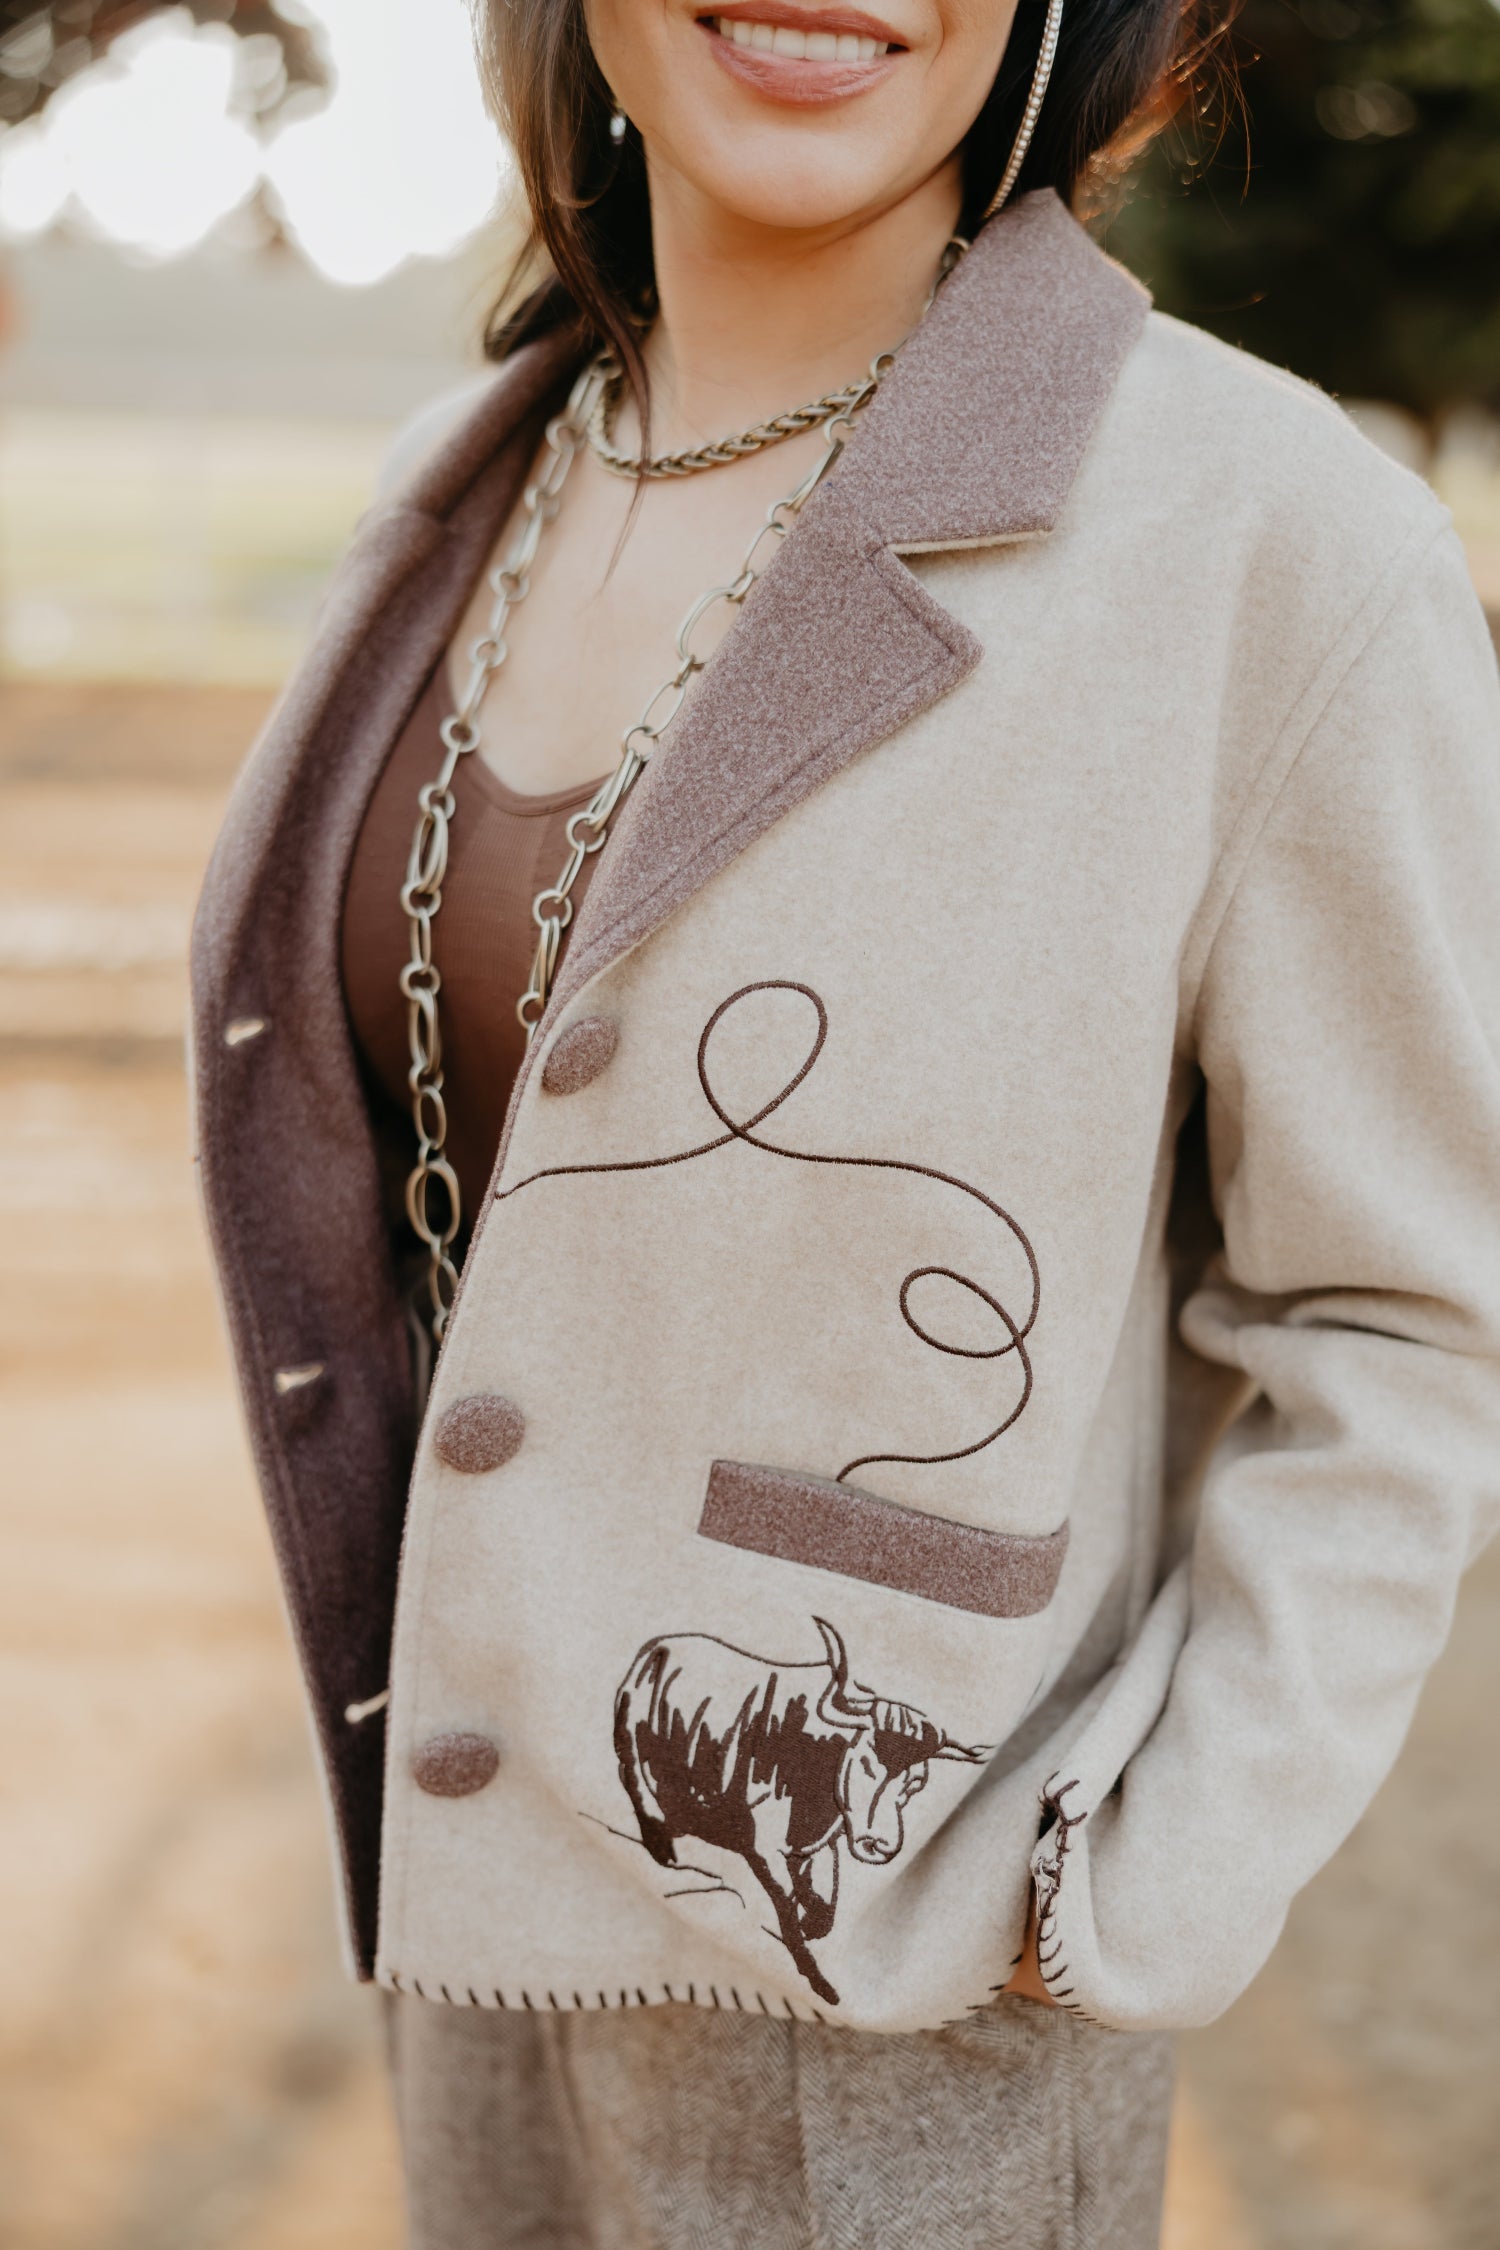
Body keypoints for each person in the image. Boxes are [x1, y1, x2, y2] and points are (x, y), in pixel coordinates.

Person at [190, 0, 1500, 2239]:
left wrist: (1132, 1885)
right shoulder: (468, 479)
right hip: (474, 1947)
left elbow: (1414, 1314)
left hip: (906, 2012)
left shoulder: (1277, 540)